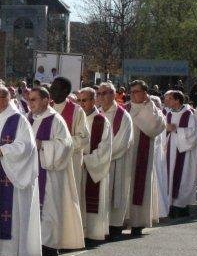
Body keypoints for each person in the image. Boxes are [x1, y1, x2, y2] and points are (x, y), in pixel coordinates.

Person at [0, 84, 42, 256]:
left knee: (11, 214)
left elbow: (27, 147)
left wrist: (3, 150)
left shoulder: (17, 120)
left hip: (11, 177)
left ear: (7, 98)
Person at [26, 85, 84, 256]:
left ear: (45, 100)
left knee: (49, 208)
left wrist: (43, 145)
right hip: (32, 172)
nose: (30, 103)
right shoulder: (28, 118)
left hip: (50, 172)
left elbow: (66, 145)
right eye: (29, 99)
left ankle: (48, 246)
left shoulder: (55, 119)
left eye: (34, 99)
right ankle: (33, 244)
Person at [122, 80, 166, 236]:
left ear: (145, 93)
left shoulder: (152, 109)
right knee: (124, 186)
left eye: (136, 91)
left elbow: (155, 128)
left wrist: (144, 112)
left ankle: (137, 222)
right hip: (125, 154)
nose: (133, 95)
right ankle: (122, 220)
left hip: (142, 155)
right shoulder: (125, 108)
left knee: (140, 188)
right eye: (131, 91)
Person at [96, 83, 133, 240]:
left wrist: (102, 156)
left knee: (117, 193)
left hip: (116, 161)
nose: (101, 96)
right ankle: (101, 227)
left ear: (113, 94)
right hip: (98, 163)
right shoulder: (97, 114)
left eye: (105, 93)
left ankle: (115, 227)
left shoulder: (123, 116)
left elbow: (122, 142)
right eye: (99, 93)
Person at [76, 87, 114, 240]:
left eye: (84, 100)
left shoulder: (101, 121)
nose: (80, 104)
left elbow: (105, 149)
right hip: (77, 167)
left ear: (93, 101)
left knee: (93, 201)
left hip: (92, 168)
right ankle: (78, 233)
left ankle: (92, 234)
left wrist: (86, 160)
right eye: (78, 100)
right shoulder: (76, 118)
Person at [48, 76, 90, 207]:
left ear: (65, 91)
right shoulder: (46, 109)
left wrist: (60, 145)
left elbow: (84, 138)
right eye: (51, 87)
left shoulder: (77, 111)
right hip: (49, 161)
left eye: (55, 88)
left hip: (70, 162)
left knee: (68, 201)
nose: (51, 90)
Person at [161, 90, 197, 217]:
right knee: (169, 176)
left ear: (177, 100)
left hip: (184, 153)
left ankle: (181, 206)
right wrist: (166, 129)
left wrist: (177, 129)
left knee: (183, 177)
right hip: (169, 151)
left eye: (170, 98)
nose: (167, 101)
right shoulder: (168, 113)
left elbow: (193, 133)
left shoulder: (189, 114)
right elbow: (162, 130)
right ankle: (169, 204)